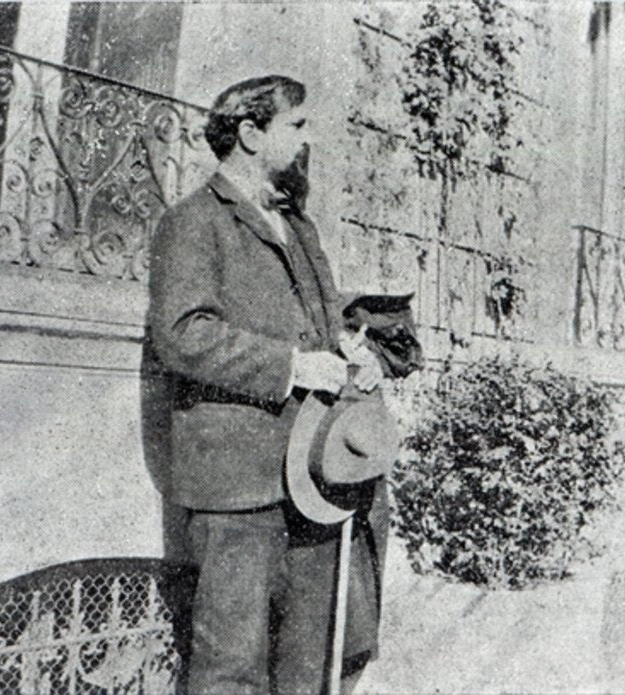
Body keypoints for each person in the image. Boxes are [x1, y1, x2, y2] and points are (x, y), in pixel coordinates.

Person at [146, 75, 390, 694]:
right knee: (231, 669)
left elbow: (323, 325)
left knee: (311, 662)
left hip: (313, 479)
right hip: (236, 490)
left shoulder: (298, 228)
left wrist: (350, 353)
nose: (309, 138)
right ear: (251, 134)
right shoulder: (193, 222)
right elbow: (182, 333)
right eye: (298, 125)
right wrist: (292, 366)